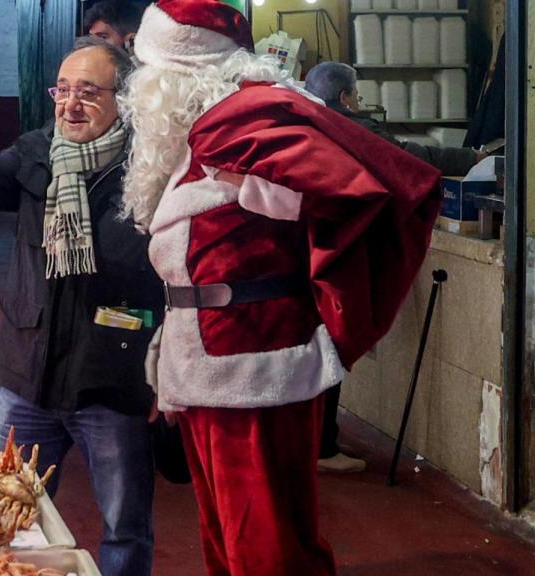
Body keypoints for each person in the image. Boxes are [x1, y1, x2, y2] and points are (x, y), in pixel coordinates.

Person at [121, 1, 443, 574]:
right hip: (201, 362)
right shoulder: (197, 143)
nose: (139, 86)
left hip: (253, 365)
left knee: (268, 550)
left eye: (147, 70)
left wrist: (263, 189)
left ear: (176, 72)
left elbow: (349, 194)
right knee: (225, 540)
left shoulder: (248, 127)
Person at [0, 37, 158, 576]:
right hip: (27, 371)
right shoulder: (39, 149)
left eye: (88, 92)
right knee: (1, 514)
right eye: (62, 90)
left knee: (125, 526)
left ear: (126, 98)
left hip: (111, 376)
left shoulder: (151, 166)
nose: (69, 104)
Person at [303, 61, 486, 474]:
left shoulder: (302, 123)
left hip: (302, 251)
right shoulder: (351, 127)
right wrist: (473, 157)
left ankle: (309, 441)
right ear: (347, 97)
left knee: (311, 350)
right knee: (333, 343)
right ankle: (322, 447)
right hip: (339, 254)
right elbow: (409, 156)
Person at [305, 61, 485, 177]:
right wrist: (469, 158)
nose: (358, 103)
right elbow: (406, 157)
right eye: (356, 96)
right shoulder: (354, 130)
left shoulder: (306, 124)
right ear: (343, 98)